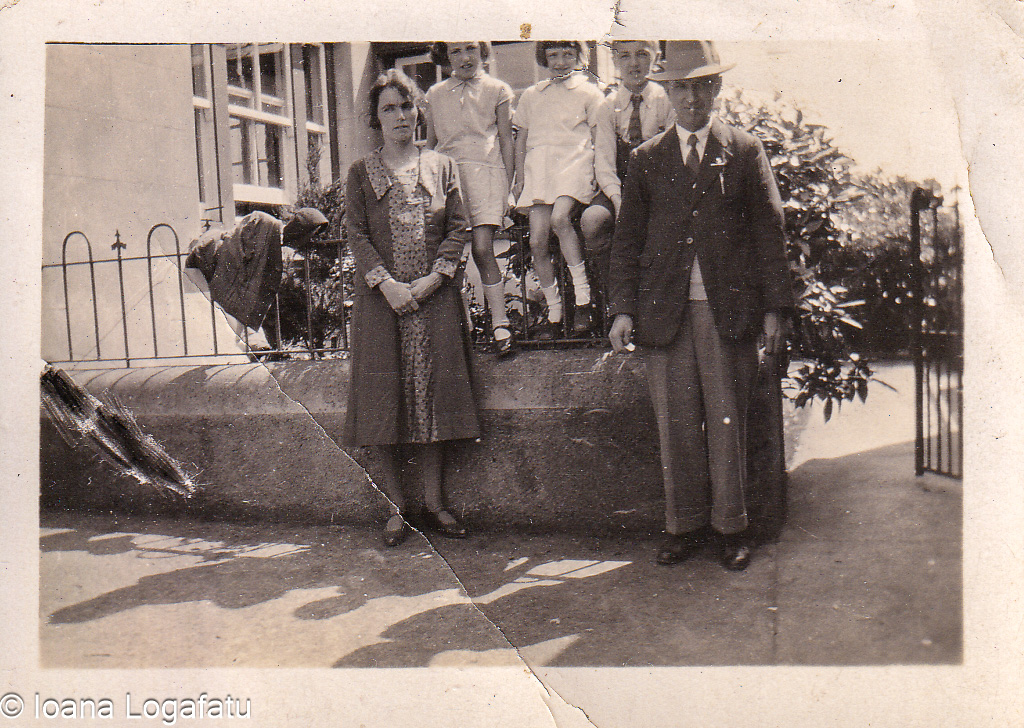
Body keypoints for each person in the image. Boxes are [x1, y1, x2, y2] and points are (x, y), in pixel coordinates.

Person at [607, 41, 793, 571]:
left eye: (702, 86)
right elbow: (627, 241)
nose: (692, 98)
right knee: (677, 424)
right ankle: (683, 525)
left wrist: (775, 310)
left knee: (728, 420)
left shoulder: (743, 148)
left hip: (727, 310)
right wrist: (622, 310)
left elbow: (769, 233)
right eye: (682, 87)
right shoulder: (647, 159)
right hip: (664, 314)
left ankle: (731, 528)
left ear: (716, 89)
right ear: (668, 92)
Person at [343, 69, 479, 547]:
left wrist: (433, 279)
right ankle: (398, 509)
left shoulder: (441, 166)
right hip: (383, 306)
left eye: (406, 107)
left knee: (433, 401)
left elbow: (458, 228)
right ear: (375, 119)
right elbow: (357, 235)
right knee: (385, 403)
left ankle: (436, 503)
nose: (400, 116)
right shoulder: (361, 174)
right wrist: (387, 286)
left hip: (433, 301)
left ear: (417, 112)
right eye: (388, 109)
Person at [425, 41, 518, 357]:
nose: (464, 58)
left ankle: (500, 324)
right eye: (455, 52)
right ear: (445, 56)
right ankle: (463, 328)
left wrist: (509, 187)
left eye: (470, 49)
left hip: (486, 173)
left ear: (483, 53)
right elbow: (430, 144)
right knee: (453, 255)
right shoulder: (435, 94)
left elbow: (506, 138)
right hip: (450, 177)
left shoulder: (498, 89)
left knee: (481, 248)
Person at [512, 40, 606, 339]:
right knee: (538, 241)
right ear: (544, 59)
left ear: (579, 57)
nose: (560, 62)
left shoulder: (589, 92)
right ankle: (554, 311)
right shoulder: (532, 94)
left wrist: (599, 172)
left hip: (574, 164)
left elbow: (597, 136)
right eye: (553, 55)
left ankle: (583, 299)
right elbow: (522, 138)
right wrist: (518, 177)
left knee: (560, 219)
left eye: (568, 55)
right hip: (540, 169)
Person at [585, 39, 675, 297]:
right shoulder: (608, 106)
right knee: (593, 221)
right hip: (619, 185)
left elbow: (671, 156)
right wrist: (617, 199)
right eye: (625, 56)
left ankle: (656, 298)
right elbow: (603, 161)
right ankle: (615, 295)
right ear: (615, 61)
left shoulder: (665, 99)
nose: (633, 63)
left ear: (656, 58)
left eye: (642, 55)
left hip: (657, 184)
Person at [184, 207, 329, 352]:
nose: (307, 240)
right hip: (201, 261)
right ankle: (247, 346)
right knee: (214, 310)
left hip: (214, 267)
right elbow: (235, 245)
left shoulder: (275, 243)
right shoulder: (264, 222)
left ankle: (250, 345)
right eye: (309, 234)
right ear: (300, 229)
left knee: (236, 312)